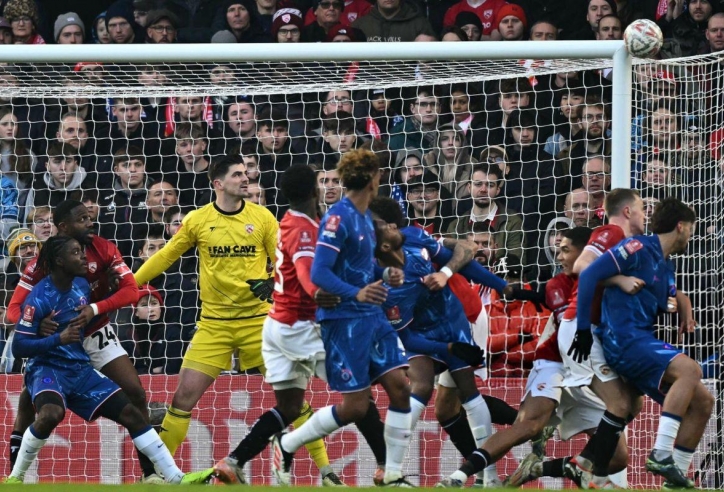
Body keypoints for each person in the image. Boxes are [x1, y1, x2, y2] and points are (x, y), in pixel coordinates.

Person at [133, 154, 338, 483]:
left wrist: (271, 285)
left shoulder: (263, 218)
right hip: (214, 325)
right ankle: (159, 474)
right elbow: (167, 254)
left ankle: (326, 470)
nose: (246, 179)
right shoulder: (199, 220)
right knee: (183, 398)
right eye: (238, 174)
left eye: (247, 173)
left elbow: (285, 264)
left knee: (294, 399)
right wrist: (133, 284)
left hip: (259, 323)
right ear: (218, 184)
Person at [214, 164, 383, 485]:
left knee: (290, 406)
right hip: (303, 328)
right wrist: (320, 292)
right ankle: (387, 467)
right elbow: (308, 273)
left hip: (276, 326)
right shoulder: (305, 229)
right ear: (313, 191)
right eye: (323, 183)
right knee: (359, 396)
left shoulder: (292, 221)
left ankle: (234, 460)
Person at [2, 235, 213, 485]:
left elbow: (102, 301)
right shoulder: (38, 297)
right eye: (76, 253)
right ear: (59, 261)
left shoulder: (81, 284)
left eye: (82, 251)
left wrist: (109, 291)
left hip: (80, 370)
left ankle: (174, 478)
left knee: (133, 414)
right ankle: (15, 478)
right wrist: (58, 339)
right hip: (49, 368)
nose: (84, 257)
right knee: (50, 414)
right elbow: (19, 346)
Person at [435, 227, 621, 489]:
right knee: (528, 426)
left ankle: (540, 467)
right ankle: (465, 475)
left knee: (617, 458)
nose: (559, 257)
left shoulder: (610, 282)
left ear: (587, 252)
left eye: (565, 250)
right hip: (554, 366)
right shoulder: (558, 285)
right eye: (558, 251)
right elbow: (548, 310)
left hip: (588, 373)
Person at [269, 149, 413, 487]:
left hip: (371, 315)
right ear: (373, 177)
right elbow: (320, 273)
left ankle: (391, 474)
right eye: (379, 174)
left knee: (400, 389)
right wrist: (356, 293)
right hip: (343, 319)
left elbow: (362, 266)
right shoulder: (338, 218)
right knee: (355, 407)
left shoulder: (364, 217)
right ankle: (287, 444)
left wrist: (386, 272)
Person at [3, 200, 167, 482]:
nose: (90, 223)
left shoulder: (103, 248)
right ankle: (13, 478)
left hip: (96, 333)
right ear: (63, 227)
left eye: (89, 217)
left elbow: (131, 292)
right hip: (59, 342)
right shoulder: (44, 261)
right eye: (82, 219)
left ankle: (150, 474)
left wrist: (95, 308)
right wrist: (38, 323)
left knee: (136, 393)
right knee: (30, 410)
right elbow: (13, 311)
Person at [569, 197, 713, 488]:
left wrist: (680, 305)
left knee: (703, 402)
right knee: (691, 370)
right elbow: (589, 274)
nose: (692, 236)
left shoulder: (666, 267)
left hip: (642, 341)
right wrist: (583, 328)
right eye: (692, 229)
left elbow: (665, 301)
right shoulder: (636, 247)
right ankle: (660, 454)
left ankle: (675, 479)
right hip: (621, 339)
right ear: (681, 227)